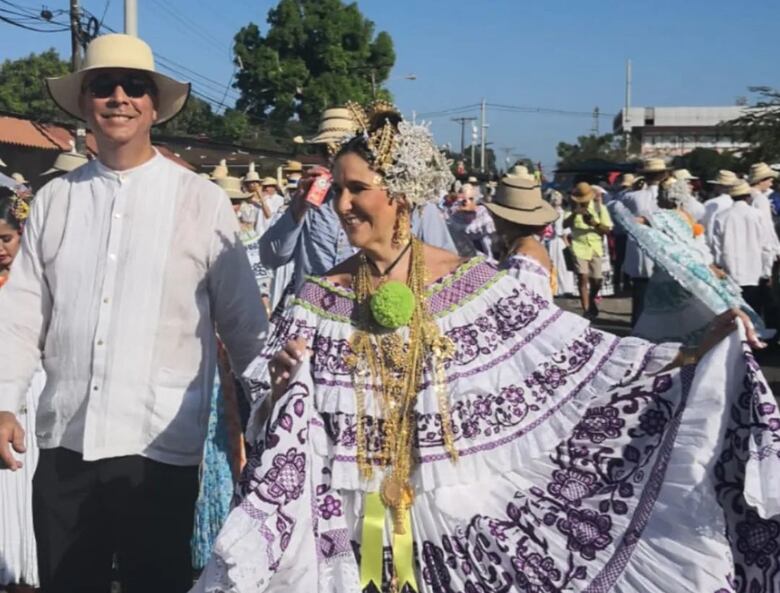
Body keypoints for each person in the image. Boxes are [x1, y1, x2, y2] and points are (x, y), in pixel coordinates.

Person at [192, 101, 780, 593]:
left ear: (401, 195)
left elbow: (584, 364)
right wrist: (281, 386)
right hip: (350, 525)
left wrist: (697, 350)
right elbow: (272, 419)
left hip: (450, 519)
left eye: (357, 190)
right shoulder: (316, 298)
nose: (342, 204)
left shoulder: (475, 284)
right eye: (339, 190)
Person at [0, 34, 268, 593]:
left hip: (156, 443)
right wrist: (3, 400)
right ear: (85, 102)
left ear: (153, 105)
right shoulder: (56, 200)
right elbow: (22, 313)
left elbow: (244, 324)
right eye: (104, 85)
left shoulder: (200, 200)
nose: (119, 97)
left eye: (135, 87)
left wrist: (273, 417)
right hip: (65, 438)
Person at [258, 105, 456, 295]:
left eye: (339, 147)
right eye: (323, 149)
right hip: (319, 311)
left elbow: (446, 272)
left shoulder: (411, 201)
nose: (332, 156)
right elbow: (270, 258)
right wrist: (297, 208)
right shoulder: (308, 202)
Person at [612, 178, 763, 344]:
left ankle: (662, 346)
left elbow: (632, 223)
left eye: (660, 194)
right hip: (690, 269)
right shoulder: (686, 216)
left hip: (668, 272)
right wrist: (710, 266)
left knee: (664, 314)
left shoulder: (661, 216)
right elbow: (697, 246)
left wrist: (615, 209)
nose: (657, 198)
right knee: (690, 309)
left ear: (667, 196)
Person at [0, 189, 42, 593]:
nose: (0, 249)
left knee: (25, 489)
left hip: (30, 399)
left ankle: (26, 572)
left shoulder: (35, 284)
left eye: (6, 239)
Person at [485, 173, 558, 300]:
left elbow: (518, 303)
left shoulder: (523, 260)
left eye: (495, 215)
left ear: (504, 219)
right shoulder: (528, 246)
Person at [712, 180, 775, 316]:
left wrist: (720, 267)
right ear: (748, 196)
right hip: (755, 272)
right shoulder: (757, 215)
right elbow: (766, 245)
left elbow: (717, 249)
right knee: (755, 312)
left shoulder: (721, 217)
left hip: (731, 273)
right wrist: (767, 271)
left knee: (737, 315)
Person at [621, 158, 667, 325]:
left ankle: (638, 327)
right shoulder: (668, 197)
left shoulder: (631, 196)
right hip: (663, 250)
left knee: (640, 296)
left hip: (641, 250)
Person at [564, 181, 613, 318]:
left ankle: (592, 300)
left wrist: (594, 223)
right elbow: (564, 224)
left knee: (597, 279)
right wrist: (574, 214)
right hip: (578, 246)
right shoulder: (571, 208)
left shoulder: (599, 208)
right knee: (582, 276)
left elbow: (607, 230)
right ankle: (586, 310)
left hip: (595, 246)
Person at [546, 189, 577, 296]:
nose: (556, 200)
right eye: (554, 198)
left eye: (557, 198)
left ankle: (563, 288)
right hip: (553, 242)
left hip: (558, 242)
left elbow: (564, 233)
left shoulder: (563, 214)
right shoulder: (550, 214)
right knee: (555, 265)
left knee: (562, 265)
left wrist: (568, 246)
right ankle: (555, 288)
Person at [702, 169, 738, 243]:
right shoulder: (736, 203)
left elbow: (702, 225)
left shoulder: (709, 204)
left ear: (719, 186)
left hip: (711, 244)